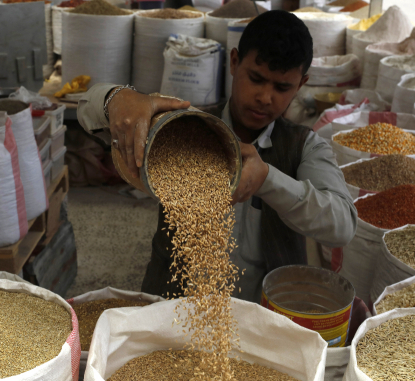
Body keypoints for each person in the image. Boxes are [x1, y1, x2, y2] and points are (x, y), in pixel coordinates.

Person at [78, 10, 357, 303]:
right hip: (171, 304)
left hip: (262, 314)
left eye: (281, 87)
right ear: (234, 62)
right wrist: (117, 99)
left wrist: (268, 180)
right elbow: (87, 109)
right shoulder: (185, 126)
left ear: (301, 84)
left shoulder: (305, 146)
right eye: (256, 78)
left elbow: (343, 227)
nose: (265, 97)